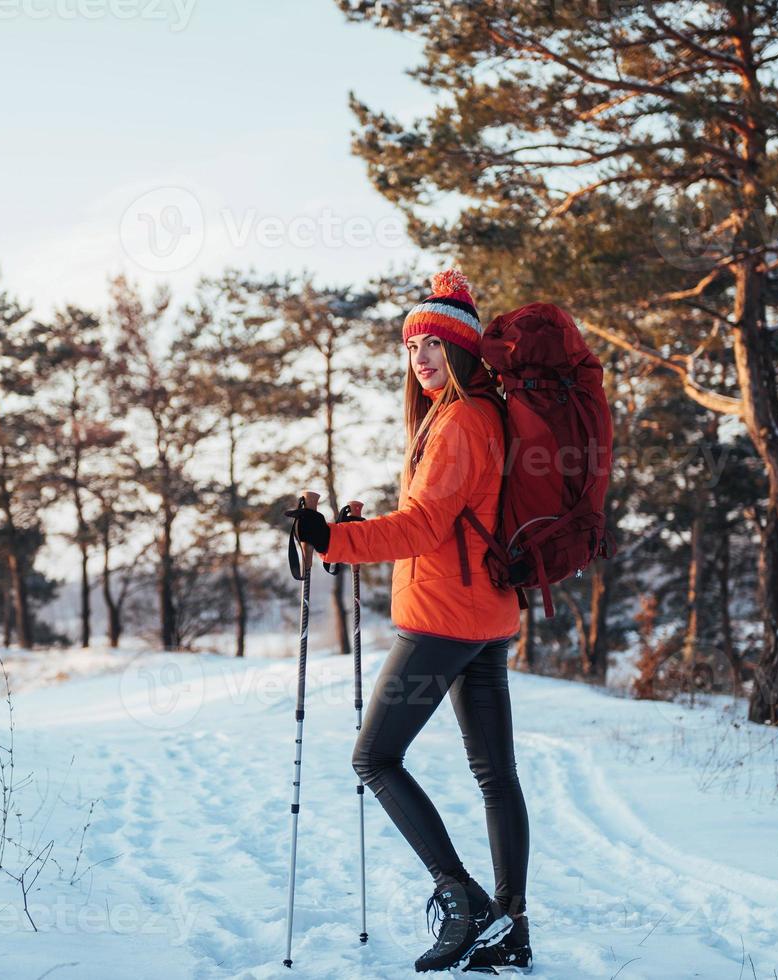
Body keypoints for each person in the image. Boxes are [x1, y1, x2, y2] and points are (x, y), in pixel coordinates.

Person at [287, 269, 531, 973]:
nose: (420, 357)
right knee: (494, 775)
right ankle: (508, 929)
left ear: (462, 351)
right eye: (412, 344)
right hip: (483, 614)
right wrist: (360, 533)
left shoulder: (457, 422)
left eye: (434, 343)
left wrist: (333, 539)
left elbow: (424, 526)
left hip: (443, 619)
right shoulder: (481, 414)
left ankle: (463, 904)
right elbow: (443, 522)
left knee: (374, 758)